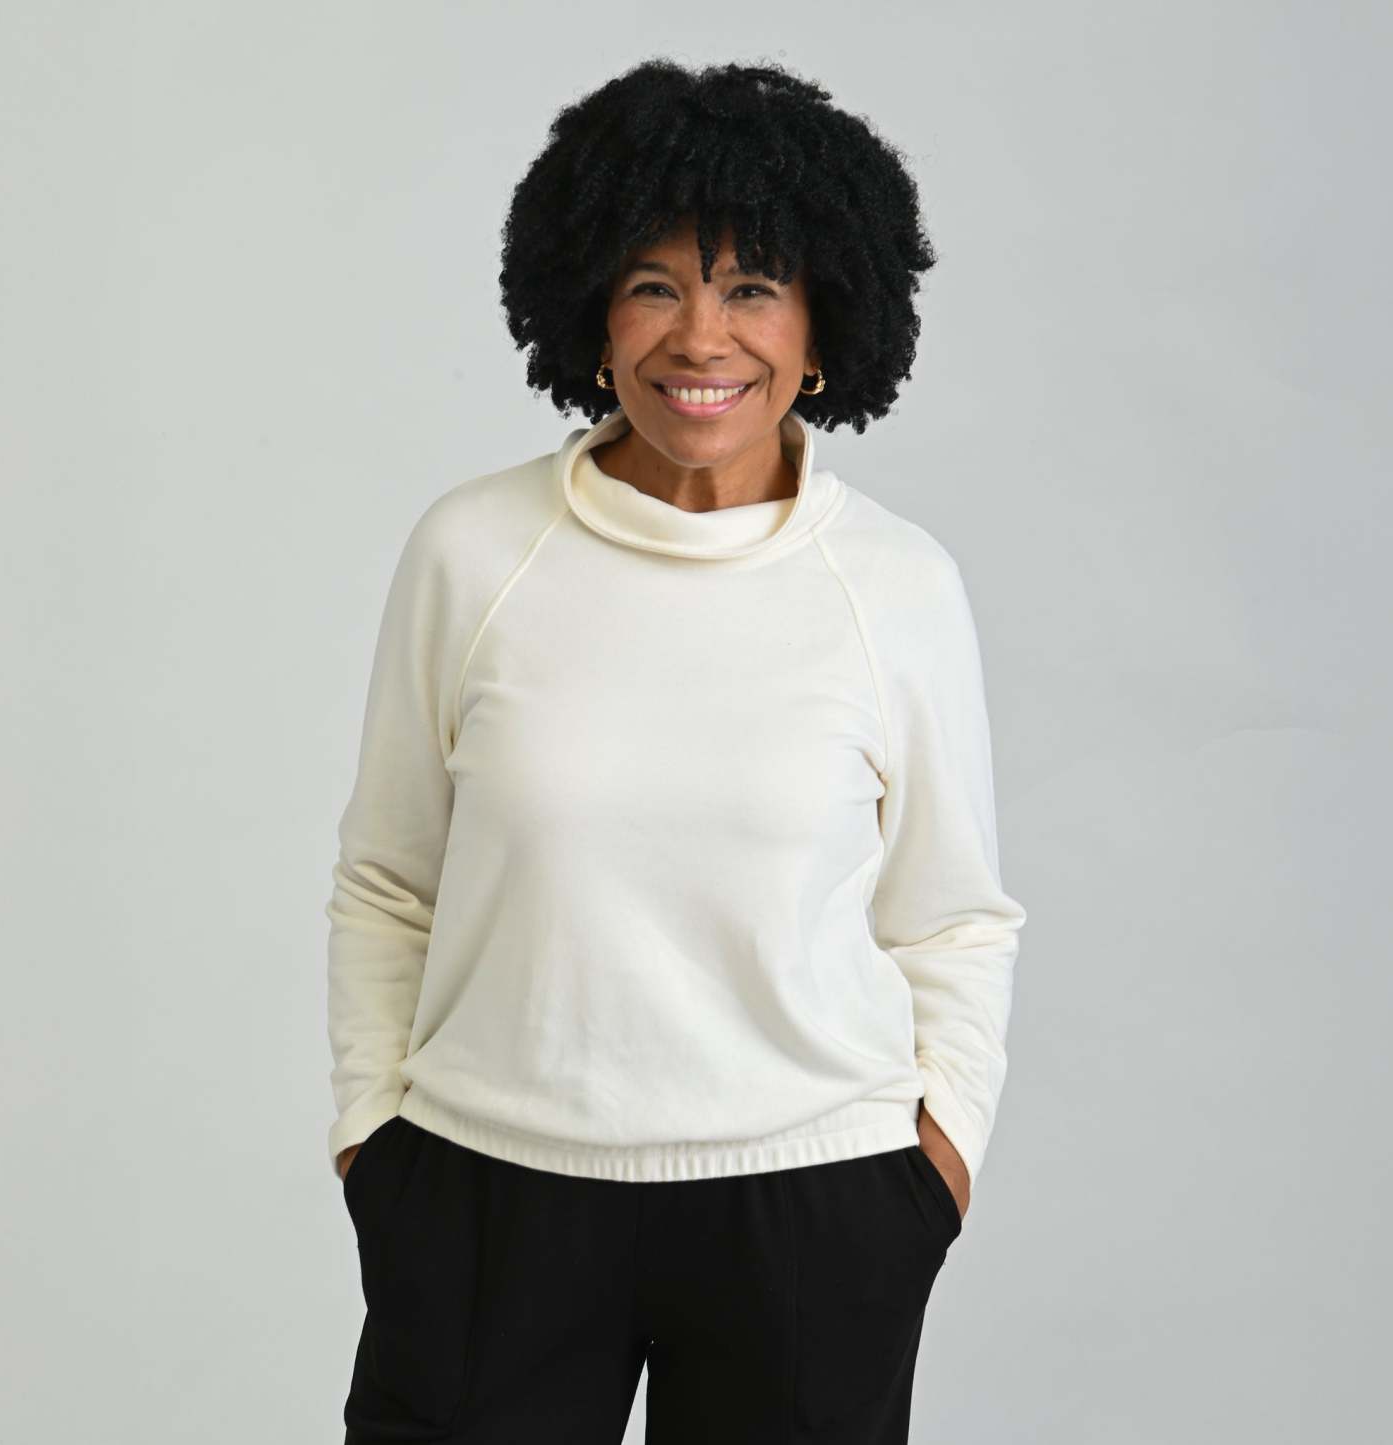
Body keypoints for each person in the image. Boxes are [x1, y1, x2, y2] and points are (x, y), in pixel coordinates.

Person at [325, 56, 1027, 1445]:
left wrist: (930, 1171)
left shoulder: (894, 586)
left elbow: (951, 917)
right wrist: (372, 1139)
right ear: (591, 313)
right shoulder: (475, 552)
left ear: (824, 326)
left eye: (752, 286)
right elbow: (388, 880)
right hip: (487, 1193)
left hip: (812, 1206)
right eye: (654, 285)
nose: (701, 337)